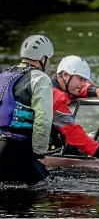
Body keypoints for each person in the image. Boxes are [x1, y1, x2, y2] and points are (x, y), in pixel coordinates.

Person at [50, 55, 99, 172]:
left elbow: (79, 89)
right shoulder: (55, 96)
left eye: (85, 80)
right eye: (80, 79)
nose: (83, 83)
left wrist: (96, 91)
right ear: (65, 75)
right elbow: (73, 133)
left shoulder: (55, 87)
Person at [0, 35, 54, 185]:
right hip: (16, 149)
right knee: (45, 186)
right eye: (48, 59)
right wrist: (39, 152)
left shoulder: (3, 75)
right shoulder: (40, 78)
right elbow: (43, 119)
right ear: (42, 58)